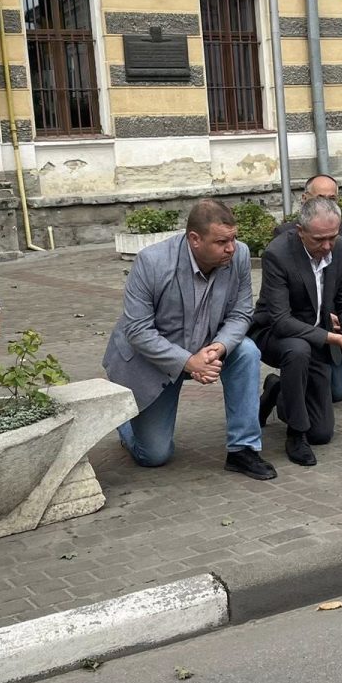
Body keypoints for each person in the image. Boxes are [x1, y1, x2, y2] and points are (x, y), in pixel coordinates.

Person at [103, 198, 277, 479]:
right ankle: (126, 424)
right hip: (152, 358)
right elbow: (137, 330)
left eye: (233, 238)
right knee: (154, 456)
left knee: (247, 352)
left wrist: (218, 347)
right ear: (195, 239)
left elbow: (241, 313)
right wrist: (189, 362)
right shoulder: (152, 261)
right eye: (221, 242)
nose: (231, 248)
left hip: (208, 344)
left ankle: (243, 449)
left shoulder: (240, 255)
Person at [252, 197, 342, 465]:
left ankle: (278, 389)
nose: (327, 246)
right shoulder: (277, 254)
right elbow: (281, 321)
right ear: (300, 231)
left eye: (332, 237)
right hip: (274, 335)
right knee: (298, 349)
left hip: (316, 337)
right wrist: (334, 338)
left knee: (322, 433)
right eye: (319, 239)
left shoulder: (341, 248)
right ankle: (295, 435)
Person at [273, 174, 342, 403]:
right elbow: (283, 306)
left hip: (337, 325)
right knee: (305, 385)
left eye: (332, 198)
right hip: (301, 325)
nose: (327, 246)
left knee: (335, 393)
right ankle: (287, 385)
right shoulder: (284, 238)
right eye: (320, 197)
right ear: (305, 199)